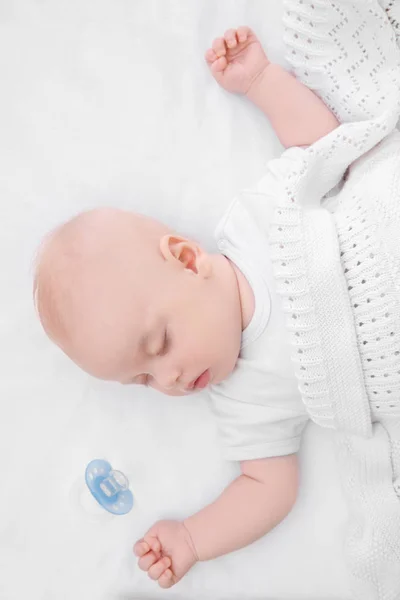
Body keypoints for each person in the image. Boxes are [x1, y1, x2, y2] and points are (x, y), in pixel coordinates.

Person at [34, 1, 400, 594]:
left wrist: (261, 81)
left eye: (160, 345)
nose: (172, 378)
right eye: (145, 381)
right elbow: (269, 488)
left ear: (184, 259)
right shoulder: (243, 402)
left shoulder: (256, 222)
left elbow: (322, 149)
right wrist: (193, 539)